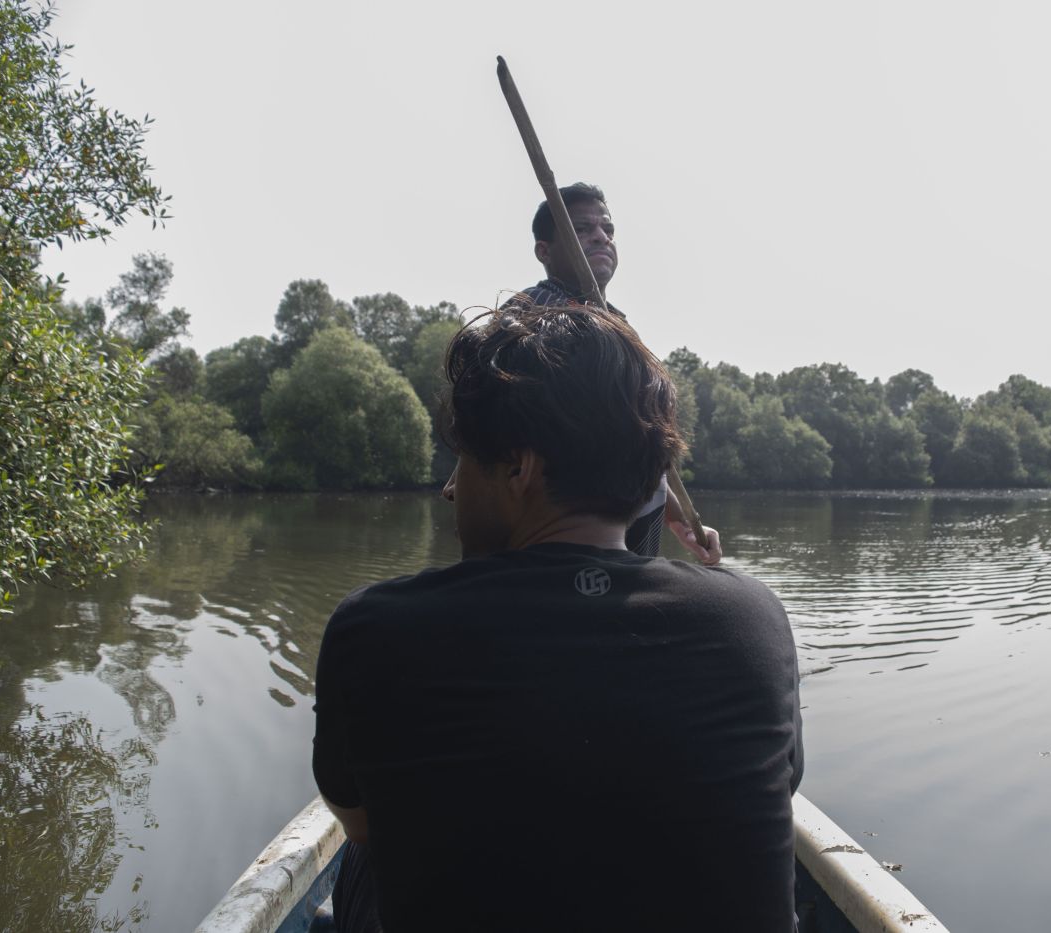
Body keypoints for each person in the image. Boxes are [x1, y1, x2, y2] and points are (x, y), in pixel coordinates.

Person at [312, 305, 803, 932]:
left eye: (461, 460)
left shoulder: (373, 629)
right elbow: (776, 793)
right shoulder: (754, 616)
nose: (450, 490)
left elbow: (361, 826)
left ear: (519, 467)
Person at [510, 182, 718, 562]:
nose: (601, 238)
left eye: (608, 229)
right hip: (564, 527)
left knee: (632, 607)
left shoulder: (620, 327)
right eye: (582, 229)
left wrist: (680, 521)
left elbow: (637, 440)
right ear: (545, 251)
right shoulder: (530, 311)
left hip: (634, 520)